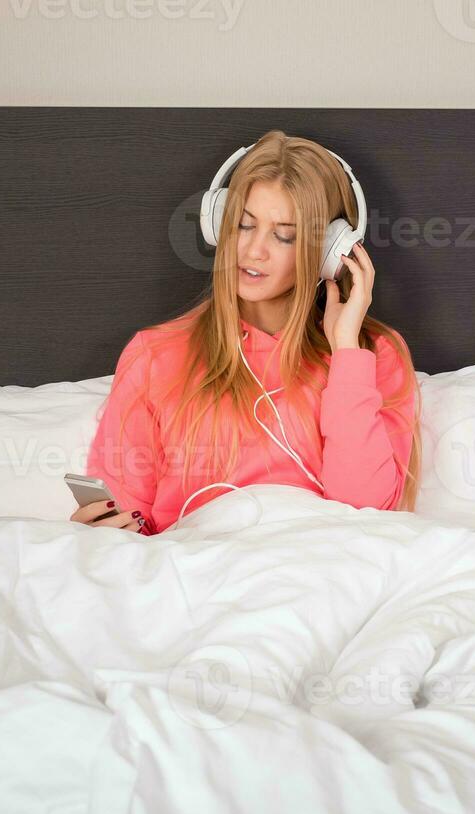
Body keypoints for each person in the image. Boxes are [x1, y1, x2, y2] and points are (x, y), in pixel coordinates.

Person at [73, 130, 420, 534]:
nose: (254, 250)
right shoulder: (155, 355)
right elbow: (126, 521)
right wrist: (99, 533)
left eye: (284, 235)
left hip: (320, 575)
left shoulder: (370, 356)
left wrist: (345, 353)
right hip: (192, 578)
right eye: (243, 225)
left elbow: (367, 511)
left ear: (328, 250)